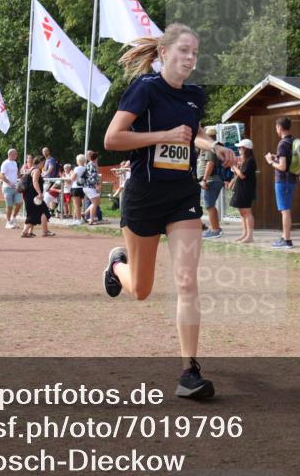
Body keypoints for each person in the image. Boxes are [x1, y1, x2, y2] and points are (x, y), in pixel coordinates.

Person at [102, 22, 235, 400]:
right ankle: (116, 264)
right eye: (183, 51)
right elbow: (112, 139)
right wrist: (161, 136)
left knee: (187, 282)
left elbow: (193, 132)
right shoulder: (145, 88)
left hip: (181, 198)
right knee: (141, 290)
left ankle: (188, 371)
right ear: (164, 54)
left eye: (195, 52)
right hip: (144, 197)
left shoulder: (194, 96)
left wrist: (213, 146)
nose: (191, 58)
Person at [264, 116, 296, 249]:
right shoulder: (293, 140)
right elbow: (287, 160)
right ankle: (284, 237)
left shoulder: (282, 143)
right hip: (292, 179)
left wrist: (271, 162)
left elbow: (282, 166)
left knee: (285, 210)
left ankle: (287, 240)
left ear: (279, 127)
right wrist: (276, 157)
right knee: (285, 209)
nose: (276, 130)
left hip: (283, 181)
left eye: (276, 127)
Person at [196, 126, 224, 239]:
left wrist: (204, 180)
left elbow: (210, 164)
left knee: (209, 206)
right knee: (210, 205)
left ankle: (215, 230)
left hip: (210, 180)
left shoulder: (210, 147)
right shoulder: (214, 146)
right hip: (212, 179)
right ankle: (216, 228)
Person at [229, 138, 257, 243]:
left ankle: (250, 236)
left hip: (247, 189)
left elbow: (242, 175)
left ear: (245, 149)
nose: (239, 149)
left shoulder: (250, 161)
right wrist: (237, 165)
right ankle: (244, 234)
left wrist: (234, 166)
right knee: (242, 213)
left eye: (240, 148)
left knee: (247, 212)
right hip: (241, 189)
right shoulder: (245, 160)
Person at [21, 156, 55, 238]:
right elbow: (35, 182)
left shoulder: (31, 169)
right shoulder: (36, 170)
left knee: (41, 212)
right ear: (40, 162)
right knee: (36, 214)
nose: (43, 165)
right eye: (43, 163)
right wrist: (40, 193)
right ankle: (25, 232)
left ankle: (40, 231)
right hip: (34, 196)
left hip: (29, 195)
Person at [0, 149, 22, 229]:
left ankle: (13, 218)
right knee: (9, 206)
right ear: (10, 154)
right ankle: (8, 222)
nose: (16, 155)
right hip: (7, 188)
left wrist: (22, 175)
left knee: (19, 203)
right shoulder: (5, 163)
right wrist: (9, 183)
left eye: (16, 154)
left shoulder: (15, 163)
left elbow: (16, 174)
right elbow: (1, 175)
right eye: (15, 154)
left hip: (16, 187)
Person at [81, 150, 102, 225]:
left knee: (97, 202)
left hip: (88, 187)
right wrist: (97, 185)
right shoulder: (92, 165)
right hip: (90, 187)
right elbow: (93, 177)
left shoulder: (91, 164)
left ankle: (84, 213)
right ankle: (91, 220)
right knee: (95, 203)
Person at [70, 154, 86, 224]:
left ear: (78, 161)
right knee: (80, 204)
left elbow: (72, 178)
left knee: (76, 205)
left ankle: (78, 219)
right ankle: (78, 218)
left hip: (76, 187)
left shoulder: (77, 168)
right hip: (83, 187)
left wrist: (71, 173)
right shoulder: (86, 168)